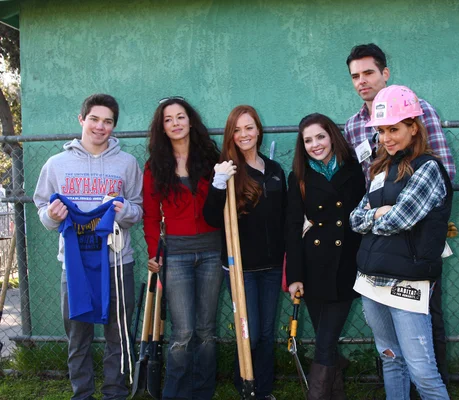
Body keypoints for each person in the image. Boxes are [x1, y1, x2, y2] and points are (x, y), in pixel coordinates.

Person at [345, 43, 454, 385]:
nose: (362, 81)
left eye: (368, 73)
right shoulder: (352, 127)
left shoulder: (420, 113)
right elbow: (363, 199)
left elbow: (440, 174)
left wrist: (420, 218)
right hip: (377, 250)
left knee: (424, 339)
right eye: (355, 76)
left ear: (384, 74)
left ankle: (430, 390)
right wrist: (378, 214)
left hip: (414, 249)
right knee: (390, 352)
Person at [33, 93, 143, 400]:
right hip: (75, 265)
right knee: (78, 336)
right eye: (94, 119)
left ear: (114, 126)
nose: (100, 126)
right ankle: (81, 394)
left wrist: (125, 212)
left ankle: (115, 393)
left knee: (118, 335)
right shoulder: (56, 164)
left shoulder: (127, 164)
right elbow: (43, 208)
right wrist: (51, 216)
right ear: (82, 119)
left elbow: (138, 208)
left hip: (118, 263)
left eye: (108, 121)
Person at [203, 105, 286, 400]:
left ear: (259, 130)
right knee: (246, 334)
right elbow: (212, 218)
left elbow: (284, 216)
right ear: (230, 135)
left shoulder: (275, 170)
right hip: (242, 268)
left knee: (265, 333)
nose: (244, 134)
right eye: (237, 130)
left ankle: (262, 390)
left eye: (249, 127)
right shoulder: (229, 170)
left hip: (273, 265)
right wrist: (218, 183)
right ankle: (246, 386)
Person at [143, 97, 222, 400]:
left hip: (212, 253)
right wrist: (154, 252)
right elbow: (150, 215)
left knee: (205, 329)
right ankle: (176, 393)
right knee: (183, 332)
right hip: (175, 255)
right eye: (168, 119)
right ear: (162, 127)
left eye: (180, 117)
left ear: (191, 121)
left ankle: (203, 391)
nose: (175, 123)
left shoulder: (210, 159)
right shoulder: (155, 166)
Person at [285, 113, 365, 400]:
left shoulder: (355, 169)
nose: (315, 144)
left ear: (332, 135)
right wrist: (294, 276)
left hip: (347, 265)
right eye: (308, 140)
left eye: (320, 136)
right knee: (326, 343)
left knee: (325, 342)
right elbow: (292, 228)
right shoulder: (298, 176)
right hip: (313, 269)